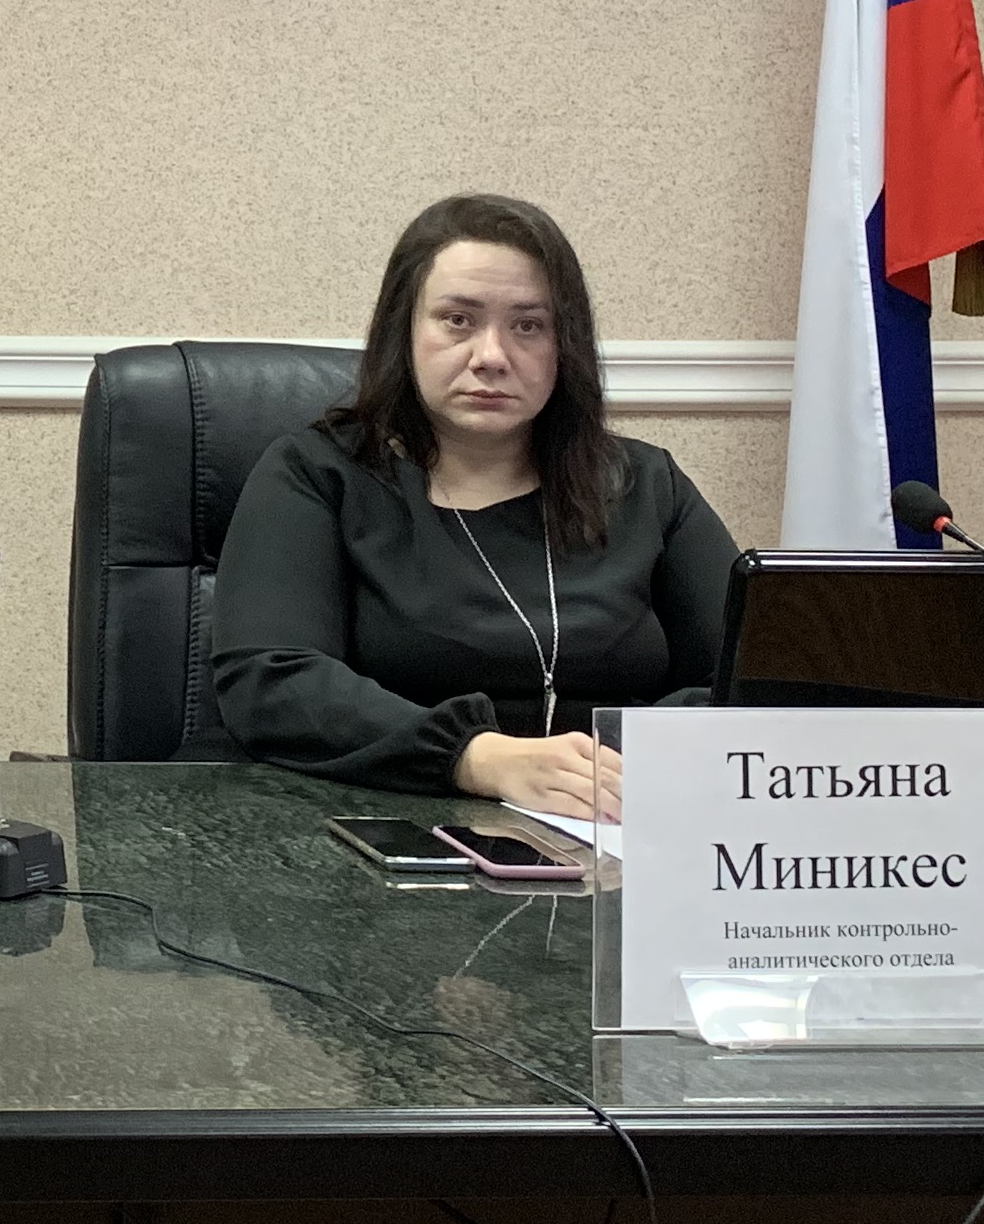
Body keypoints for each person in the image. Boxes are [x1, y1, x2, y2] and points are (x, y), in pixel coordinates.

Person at [210, 192, 736, 822]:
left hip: (611, 823)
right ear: (404, 331)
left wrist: (620, 763)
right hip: (376, 824)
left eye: (528, 326)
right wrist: (478, 758)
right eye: (458, 320)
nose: (492, 356)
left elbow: (753, 681)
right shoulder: (318, 474)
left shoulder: (644, 484)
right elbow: (271, 680)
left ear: (564, 344)